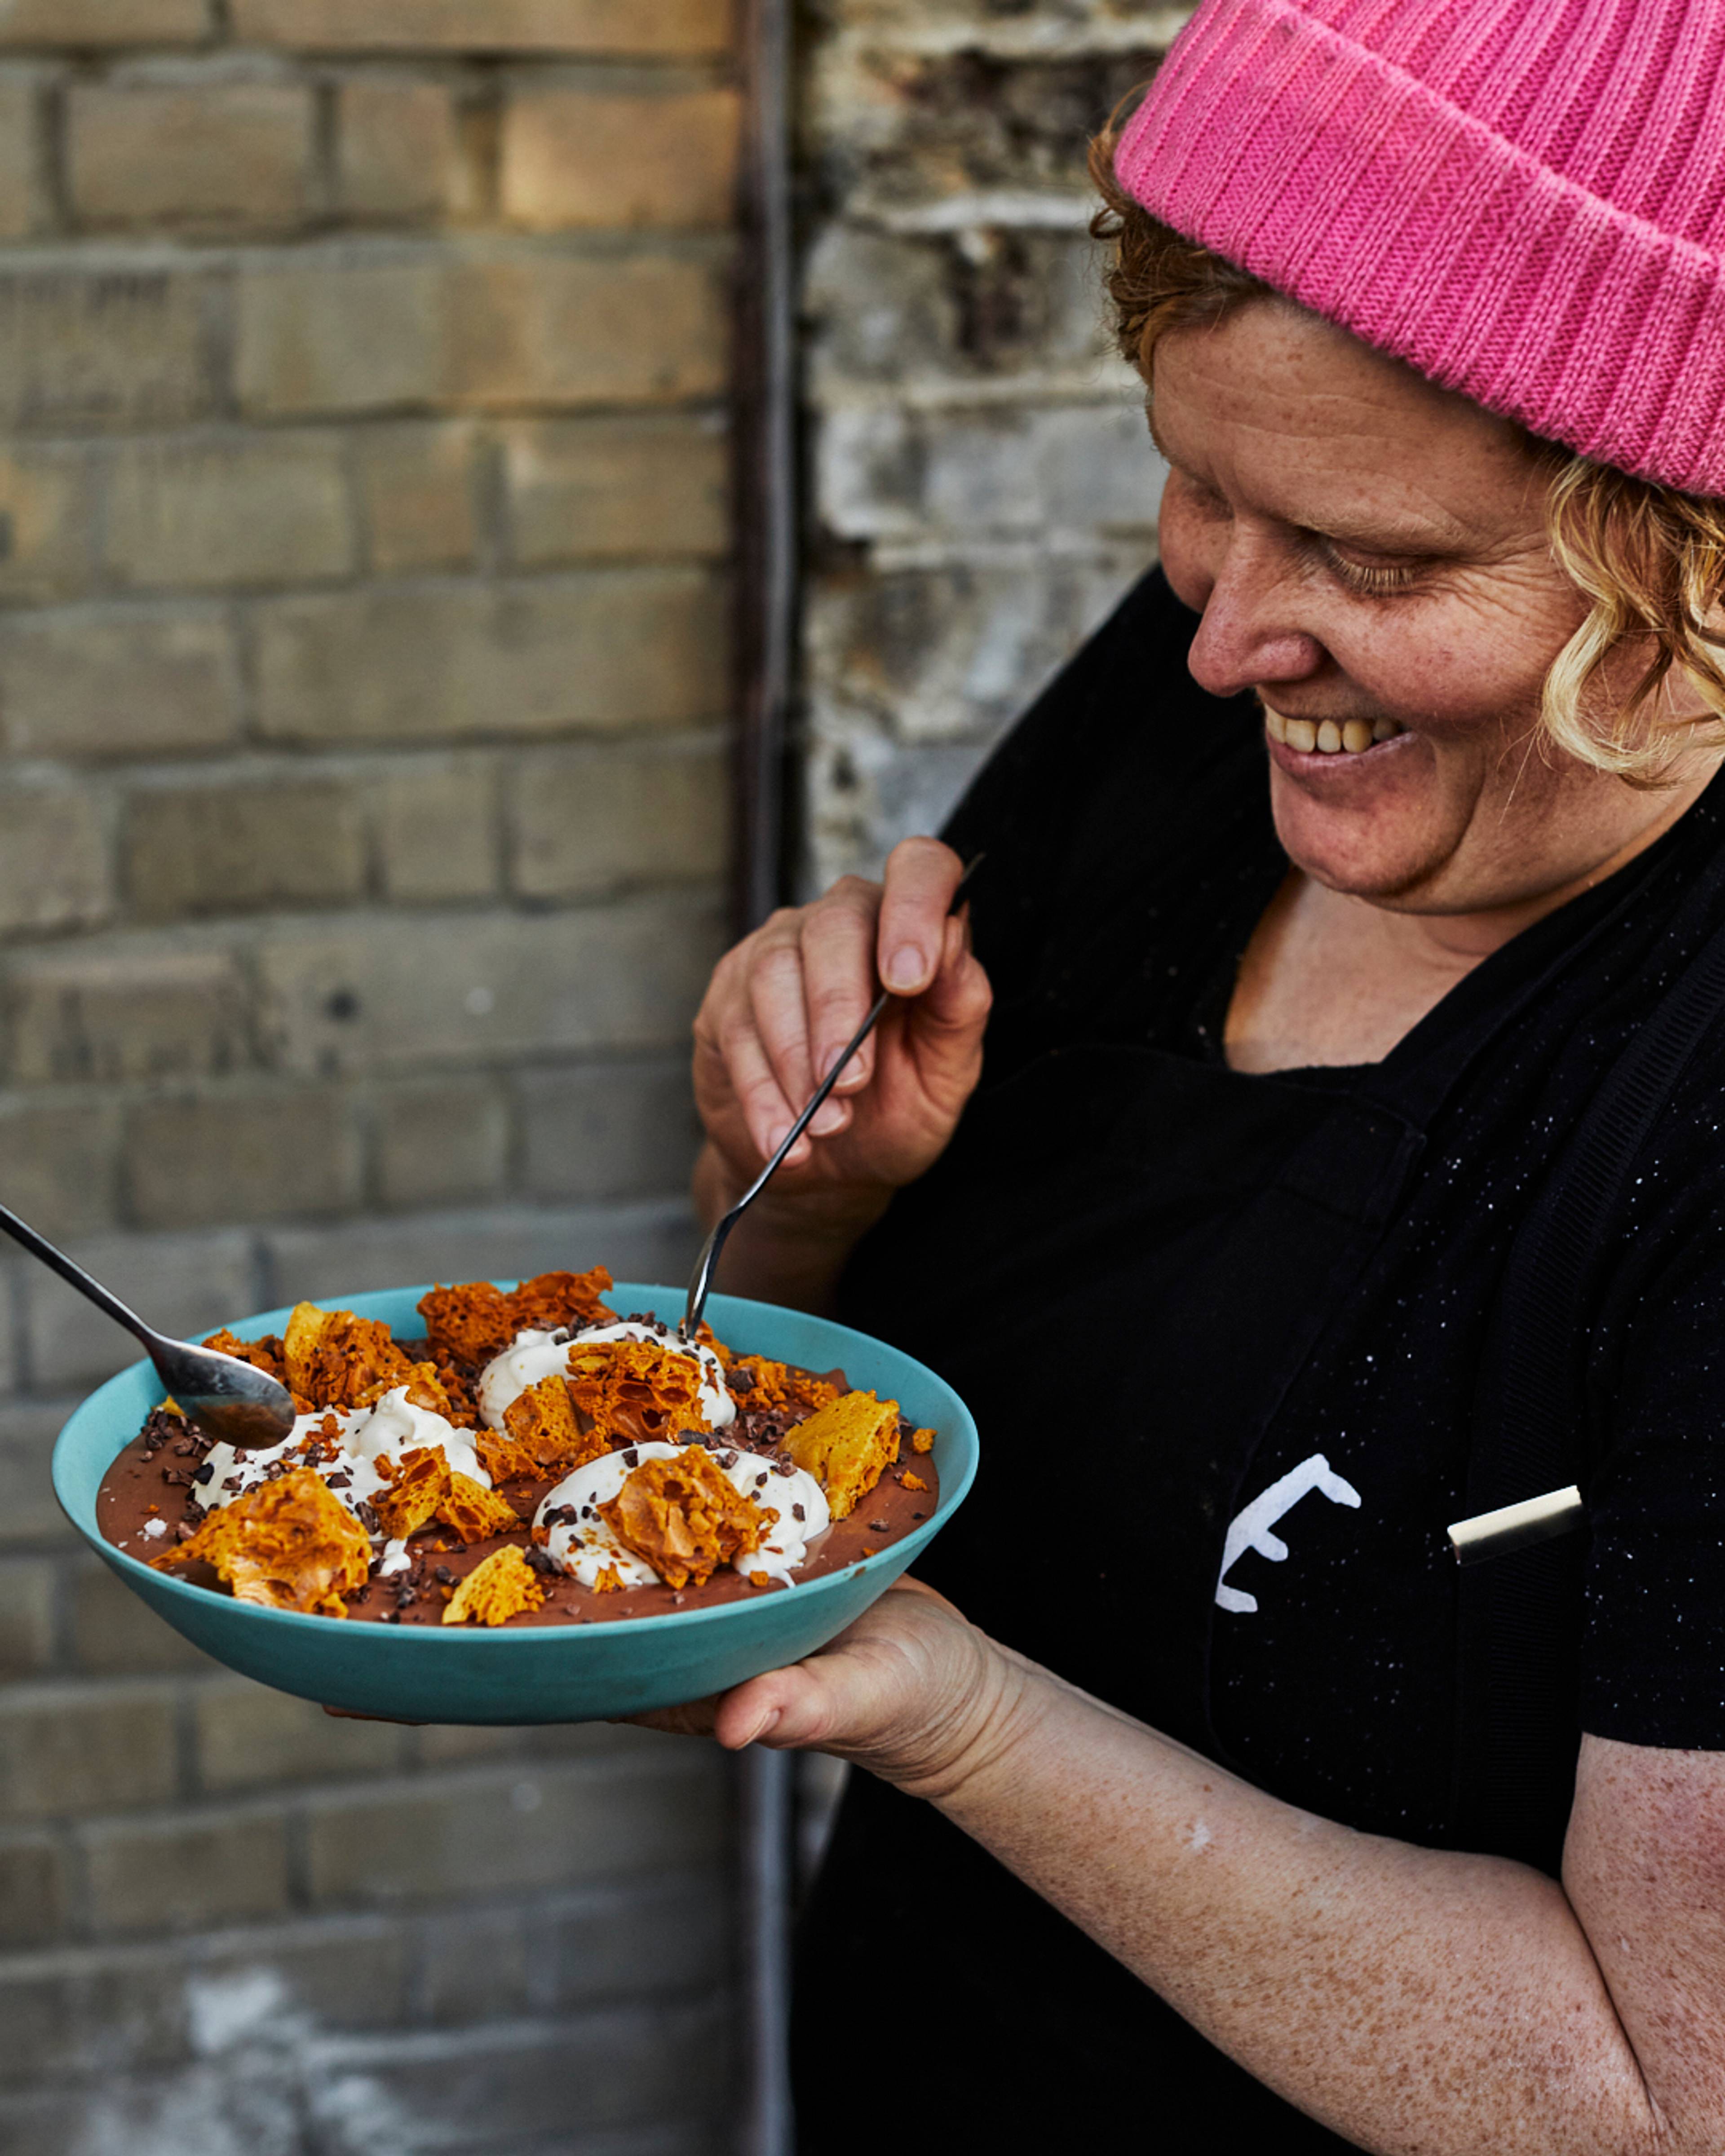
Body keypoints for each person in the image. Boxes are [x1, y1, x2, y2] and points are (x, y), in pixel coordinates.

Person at [663, 2, 1725, 2147]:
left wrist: (965, 1723)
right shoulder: (1205, 720)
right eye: (1201, 488)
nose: (1227, 638)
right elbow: (798, 1398)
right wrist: (809, 1185)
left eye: (1379, 561)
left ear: (1693, 570)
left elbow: (1659, 2096)